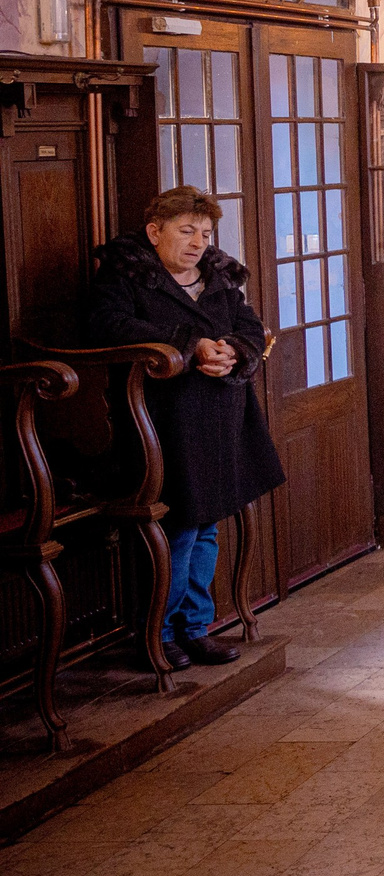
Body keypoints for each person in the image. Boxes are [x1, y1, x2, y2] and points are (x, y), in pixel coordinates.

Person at [85, 186, 285, 668]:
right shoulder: (126, 278)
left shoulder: (218, 276)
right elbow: (106, 326)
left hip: (221, 415)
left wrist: (235, 350)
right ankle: (159, 633)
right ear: (155, 232)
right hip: (163, 421)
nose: (198, 242)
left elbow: (251, 327)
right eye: (186, 230)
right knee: (178, 526)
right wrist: (188, 343)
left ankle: (196, 627)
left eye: (206, 232)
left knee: (208, 524)